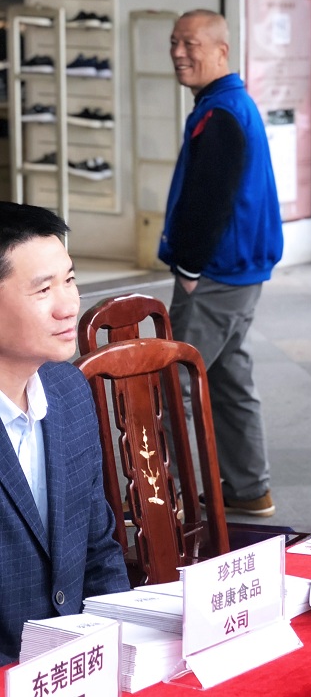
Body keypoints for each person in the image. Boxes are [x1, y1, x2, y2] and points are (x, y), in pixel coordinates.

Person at [161, 9, 283, 517]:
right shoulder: (227, 104)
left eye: (190, 43)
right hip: (236, 273)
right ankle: (250, 488)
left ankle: (159, 501)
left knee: (171, 385)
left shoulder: (222, 112)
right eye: (174, 42)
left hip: (215, 275)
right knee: (230, 379)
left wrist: (188, 269)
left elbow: (210, 199)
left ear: (221, 50)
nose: (178, 52)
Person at [0, 203, 128, 665]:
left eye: (70, 280)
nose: (69, 305)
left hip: (81, 663)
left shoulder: (68, 389)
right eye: (43, 289)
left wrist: (120, 651)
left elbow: (99, 549)